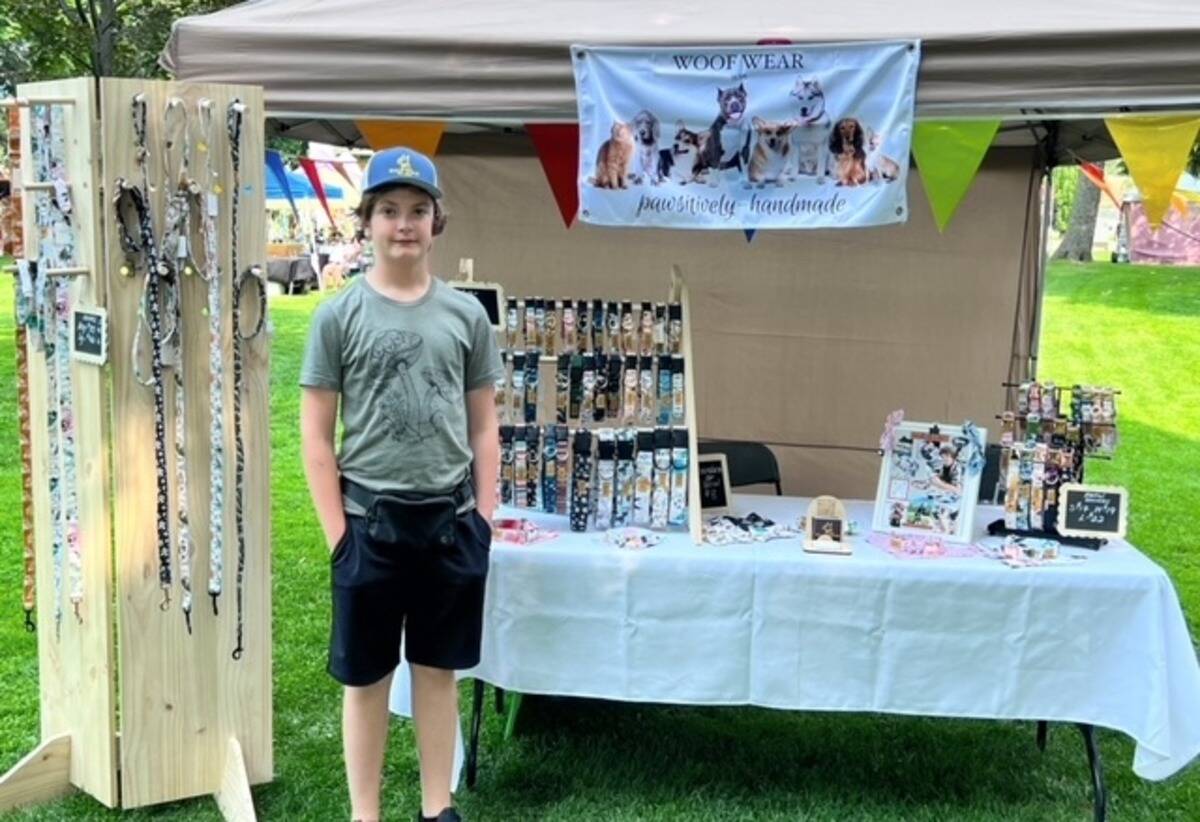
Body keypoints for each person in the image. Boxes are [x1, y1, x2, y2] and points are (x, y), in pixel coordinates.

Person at [299, 146, 502, 822]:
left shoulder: (466, 317)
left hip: (449, 525)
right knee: (367, 680)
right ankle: (366, 812)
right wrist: (340, 539)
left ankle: (436, 807)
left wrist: (484, 521)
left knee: (437, 674)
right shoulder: (338, 317)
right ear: (367, 222)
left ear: (437, 221)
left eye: (418, 211)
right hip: (370, 526)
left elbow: (483, 429)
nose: (404, 224)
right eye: (389, 211)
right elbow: (317, 439)